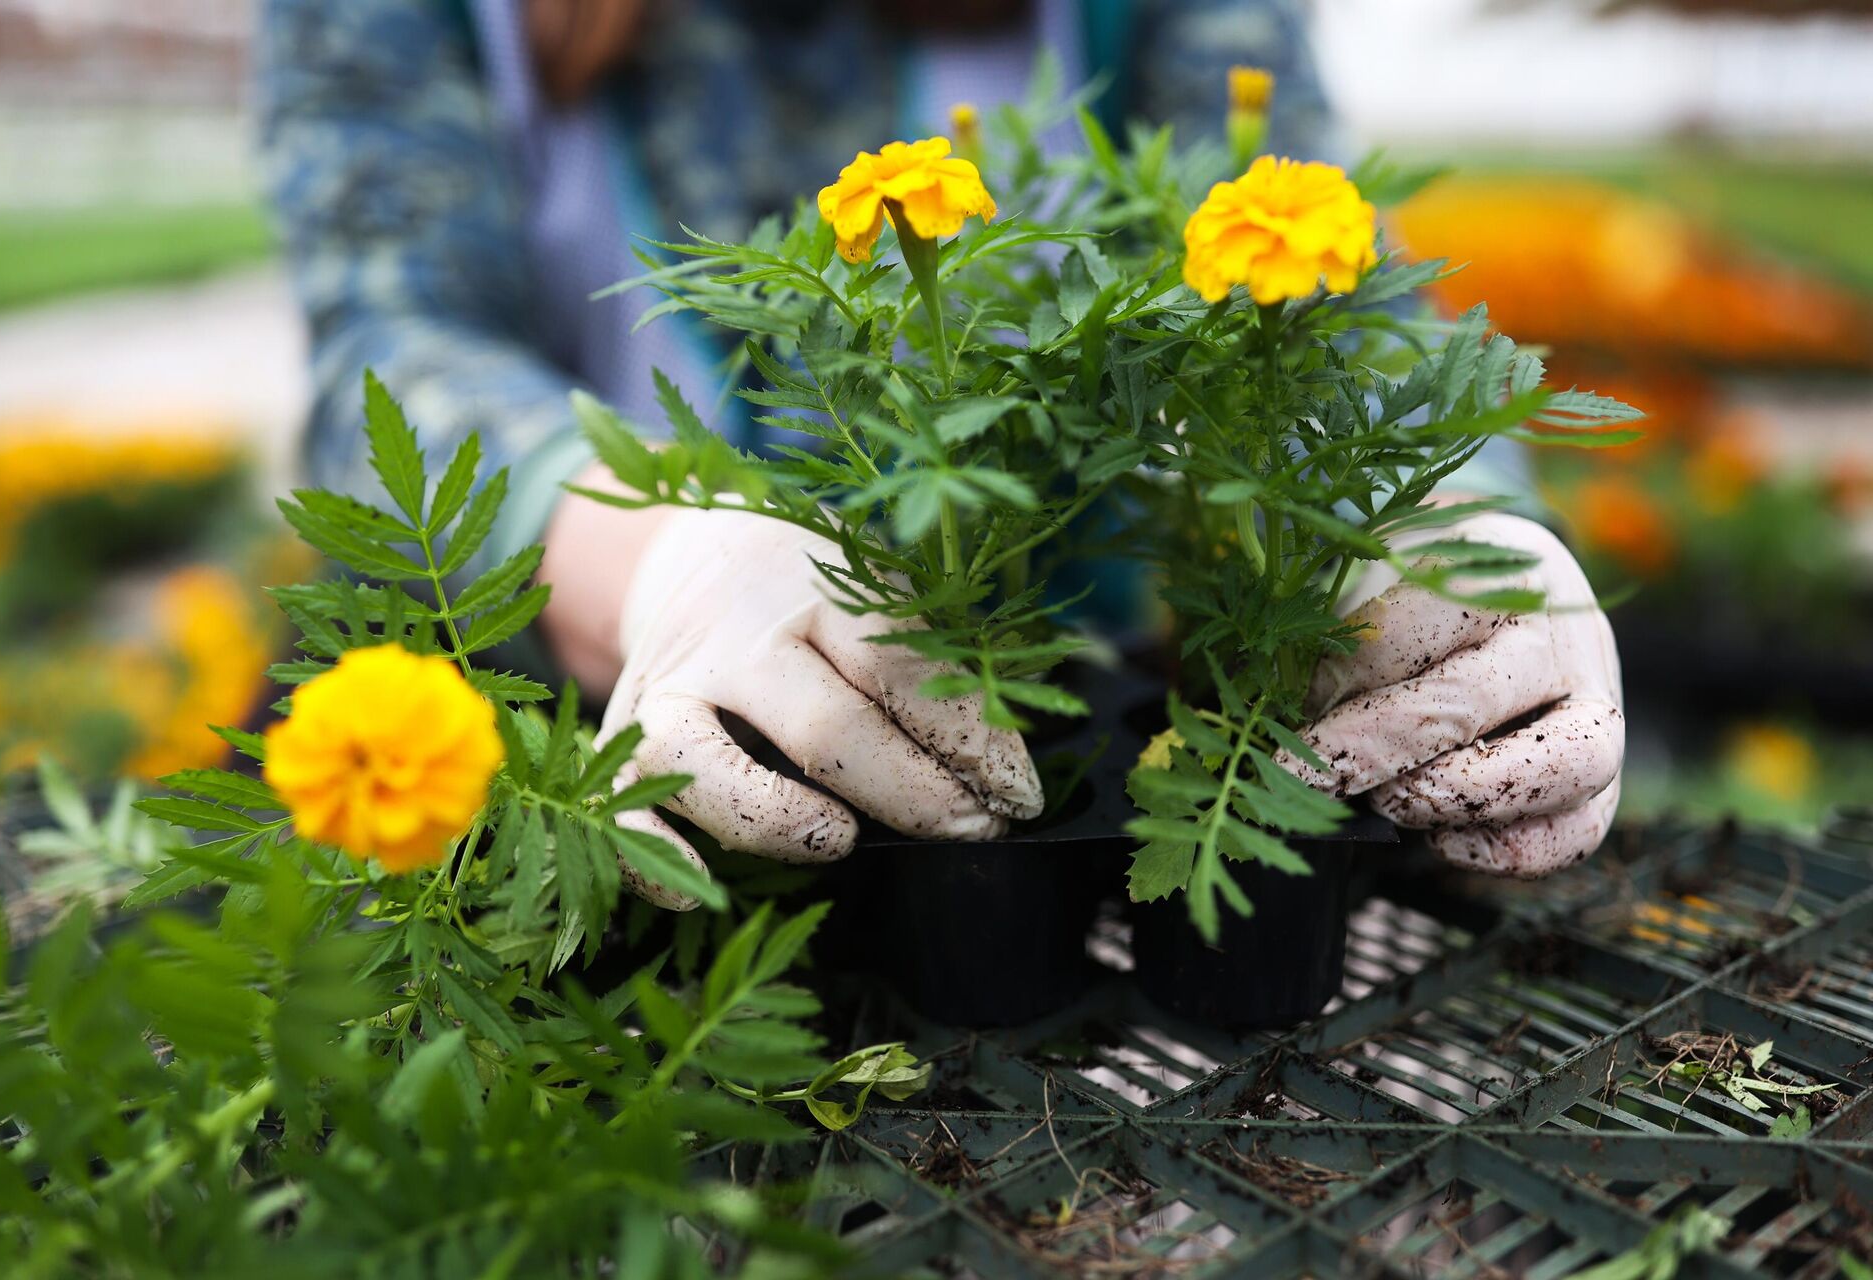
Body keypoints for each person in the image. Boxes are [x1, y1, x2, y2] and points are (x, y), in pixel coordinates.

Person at [257, 0, 1625, 894]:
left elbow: (1336, 293)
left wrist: (1449, 522)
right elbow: (394, 344)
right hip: (578, 774)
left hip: (1050, 713)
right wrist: (662, 566)